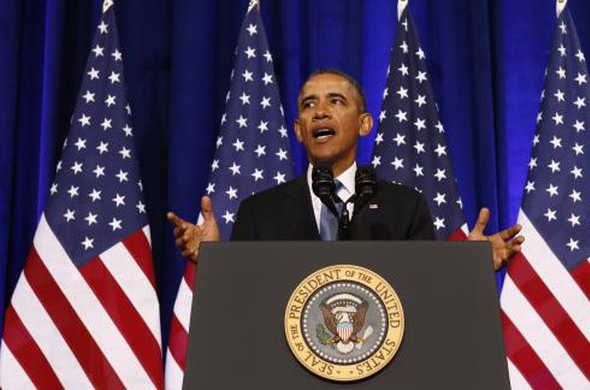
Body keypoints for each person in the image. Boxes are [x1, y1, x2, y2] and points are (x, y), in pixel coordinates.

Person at [167, 69, 523, 270]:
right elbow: (240, 306)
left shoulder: (404, 207)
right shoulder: (259, 212)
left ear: (364, 124)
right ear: (298, 129)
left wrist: (472, 271)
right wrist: (212, 263)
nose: (320, 112)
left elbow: (426, 294)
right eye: (309, 105)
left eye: (336, 102)